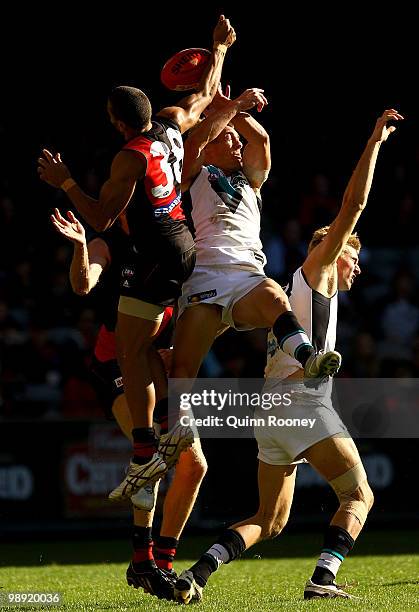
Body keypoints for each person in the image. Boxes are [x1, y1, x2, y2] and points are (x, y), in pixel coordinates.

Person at [173, 108, 404, 603]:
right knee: (359, 496)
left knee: (270, 520)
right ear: (333, 248)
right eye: (353, 256)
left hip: (271, 410)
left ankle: (197, 573)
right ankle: (323, 577)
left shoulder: (294, 286)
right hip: (303, 401)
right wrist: (376, 142)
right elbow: (354, 204)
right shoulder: (318, 268)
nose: (357, 266)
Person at [37, 15, 236, 498]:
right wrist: (221, 49)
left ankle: (145, 452)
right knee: (142, 348)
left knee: (130, 353)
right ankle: (170, 427)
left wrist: (65, 183)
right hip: (182, 244)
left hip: (156, 255)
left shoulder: (128, 156)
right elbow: (205, 97)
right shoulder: (170, 124)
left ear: (118, 122)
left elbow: (103, 217)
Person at [51, 208, 208, 600]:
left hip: (157, 365)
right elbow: (83, 283)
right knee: (150, 453)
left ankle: (162, 564)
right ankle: (143, 560)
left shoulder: (176, 242)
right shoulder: (111, 243)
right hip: (115, 364)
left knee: (194, 465)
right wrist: (79, 248)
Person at [169, 85, 341, 396]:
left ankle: (309, 359)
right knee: (181, 369)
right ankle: (174, 429)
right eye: (227, 137)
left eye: (236, 137)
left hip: (247, 274)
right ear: (210, 147)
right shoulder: (193, 173)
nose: (237, 141)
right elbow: (194, 142)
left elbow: (260, 138)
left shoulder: (252, 179)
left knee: (276, 297)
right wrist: (233, 106)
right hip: (204, 275)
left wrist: (225, 103)